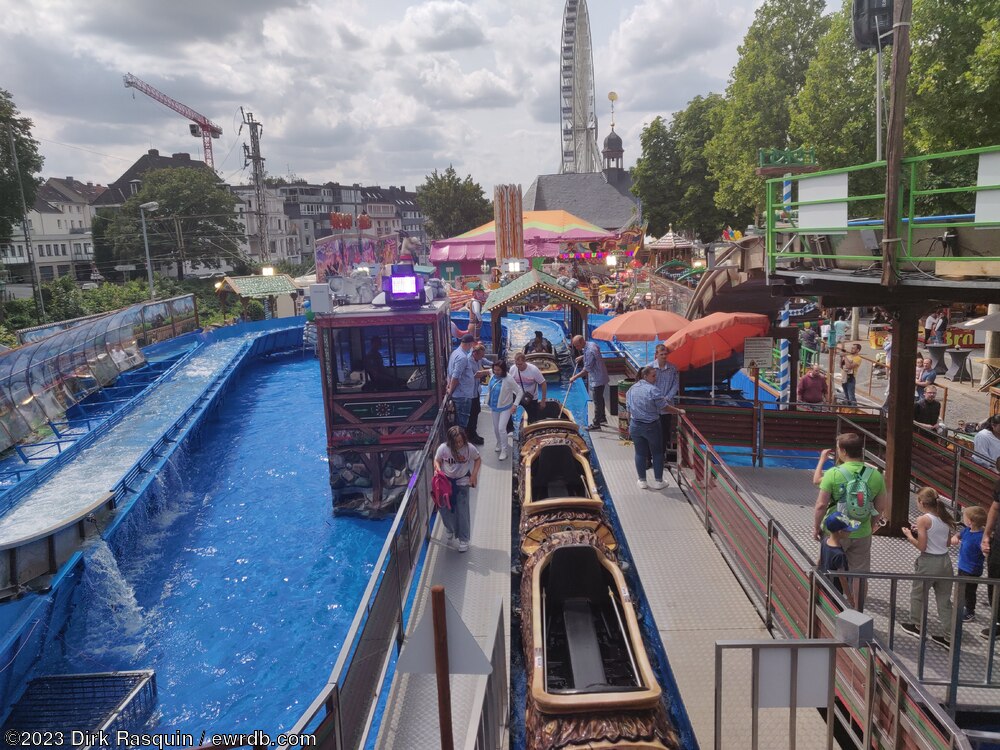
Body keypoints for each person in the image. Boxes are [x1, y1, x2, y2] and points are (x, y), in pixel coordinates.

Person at [813, 432, 888, 609]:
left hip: (835, 531)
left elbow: (821, 505)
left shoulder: (833, 473)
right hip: (862, 531)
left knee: (827, 567)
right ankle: (858, 610)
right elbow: (880, 506)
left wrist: (816, 527)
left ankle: (823, 605)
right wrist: (870, 526)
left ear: (843, 451)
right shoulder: (875, 475)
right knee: (859, 575)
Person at [901, 487, 956, 646]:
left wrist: (909, 535)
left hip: (929, 562)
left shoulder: (923, 520)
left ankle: (917, 625)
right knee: (944, 600)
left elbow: (922, 546)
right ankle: (950, 637)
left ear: (921, 502)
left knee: (918, 594)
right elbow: (947, 543)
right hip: (945, 562)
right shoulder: (944, 517)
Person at [626, 366, 684, 490]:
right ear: (645, 376)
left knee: (640, 453)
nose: (655, 378)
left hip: (635, 425)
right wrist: (678, 411)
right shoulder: (653, 390)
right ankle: (658, 481)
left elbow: (628, 410)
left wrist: (629, 426)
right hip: (651, 426)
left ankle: (642, 480)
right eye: (653, 375)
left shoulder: (631, 389)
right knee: (657, 453)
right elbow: (664, 407)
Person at [433, 426, 481, 553]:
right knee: (444, 509)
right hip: (446, 483)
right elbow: (437, 460)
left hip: (462, 482)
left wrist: (474, 475)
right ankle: (450, 528)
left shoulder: (469, 448)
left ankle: (464, 539)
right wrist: (438, 469)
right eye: (456, 442)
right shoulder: (443, 448)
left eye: (461, 441)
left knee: (463, 511)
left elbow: (477, 459)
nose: (459, 444)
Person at [569, 334, 609, 431]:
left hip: (597, 378)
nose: (577, 348)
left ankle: (596, 424)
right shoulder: (591, 344)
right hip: (601, 376)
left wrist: (574, 377)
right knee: (600, 398)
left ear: (582, 342)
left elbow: (586, 370)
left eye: (577, 346)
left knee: (597, 401)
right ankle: (602, 418)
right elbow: (593, 354)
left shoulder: (589, 351)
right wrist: (582, 357)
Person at [953, 505, 986, 621]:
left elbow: (985, 551)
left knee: (969, 591)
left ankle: (970, 611)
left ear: (970, 521)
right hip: (962, 566)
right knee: (960, 587)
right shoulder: (967, 530)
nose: (963, 518)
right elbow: (959, 535)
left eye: (964, 517)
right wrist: (956, 537)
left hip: (972, 569)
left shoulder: (980, 537)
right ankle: (960, 604)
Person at [446, 335, 480, 444]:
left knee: (460, 422)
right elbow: (455, 376)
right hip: (463, 395)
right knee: (462, 424)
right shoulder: (462, 357)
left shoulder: (455, 353)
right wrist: (450, 391)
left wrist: (449, 386)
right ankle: (461, 445)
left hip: (461, 394)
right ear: (469, 344)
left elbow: (450, 373)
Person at [485, 360, 522, 461]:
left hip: (506, 407)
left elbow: (519, 392)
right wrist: (479, 373)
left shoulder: (509, 379)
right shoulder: (493, 374)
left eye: (498, 370)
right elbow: (488, 371)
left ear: (503, 370)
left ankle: (504, 450)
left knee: (501, 428)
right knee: (496, 428)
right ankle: (499, 442)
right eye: (495, 370)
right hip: (494, 407)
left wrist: (515, 405)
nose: (496, 372)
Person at [821, 512, 859, 608]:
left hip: (825, 585)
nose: (850, 532)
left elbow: (819, 559)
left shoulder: (825, 541)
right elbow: (842, 578)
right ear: (840, 532)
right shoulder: (839, 554)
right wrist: (849, 598)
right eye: (848, 530)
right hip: (835, 592)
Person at [648, 344, 680, 457]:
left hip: (667, 407)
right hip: (653, 407)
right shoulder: (649, 368)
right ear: (656, 355)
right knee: (651, 433)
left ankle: (661, 456)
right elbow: (646, 386)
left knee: (664, 433)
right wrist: (657, 399)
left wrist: (667, 398)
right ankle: (649, 457)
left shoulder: (673, 368)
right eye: (661, 354)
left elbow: (675, 385)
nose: (664, 356)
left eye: (665, 354)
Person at [512, 351, 547, 422]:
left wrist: (543, 400)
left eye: (520, 364)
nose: (518, 366)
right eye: (516, 364)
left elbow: (543, 384)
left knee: (533, 418)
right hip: (517, 395)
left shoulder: (534, 370)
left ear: (525, 361)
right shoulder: (513, 369)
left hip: (531, 398)